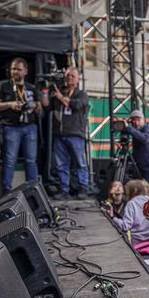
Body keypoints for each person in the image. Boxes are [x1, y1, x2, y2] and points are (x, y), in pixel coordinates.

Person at [0, 57, 42, 192]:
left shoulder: (31, 87)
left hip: (29, 126)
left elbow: (41, 109)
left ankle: (33, 190)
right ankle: (7, 191)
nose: (15, 72)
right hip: (11, 127)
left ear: (25, 71)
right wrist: (10, 104)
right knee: (10, 160)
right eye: (13, 69)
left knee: (31, 160)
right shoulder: (3, 85)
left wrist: (35, 105)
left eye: (18, 69)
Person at [45, 67, 89, 200]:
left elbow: (76, 105)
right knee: (61, 164)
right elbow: (46, 106)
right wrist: (44, 91)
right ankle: (64, 189)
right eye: (67, 76)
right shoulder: (59, 93)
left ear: (78, 80)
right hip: (60, 134)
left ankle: (83, 188)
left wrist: (60, 97)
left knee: (80, 163)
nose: (69, 78)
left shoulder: (82, 94)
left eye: (72, 76)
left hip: (76, 133)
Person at [106, 179, 149, 244]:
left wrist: (113, 217)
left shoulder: (131, 204)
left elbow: (125, 226)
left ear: (134, 190)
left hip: (137, 241)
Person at [122, 110, 149, 190]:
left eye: (138, 120)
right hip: (140, 166)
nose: (136, 123)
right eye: (134, 121)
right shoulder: (135, 131)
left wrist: (129, 128)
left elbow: (145, 138)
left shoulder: (148, 128)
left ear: (144, 119)